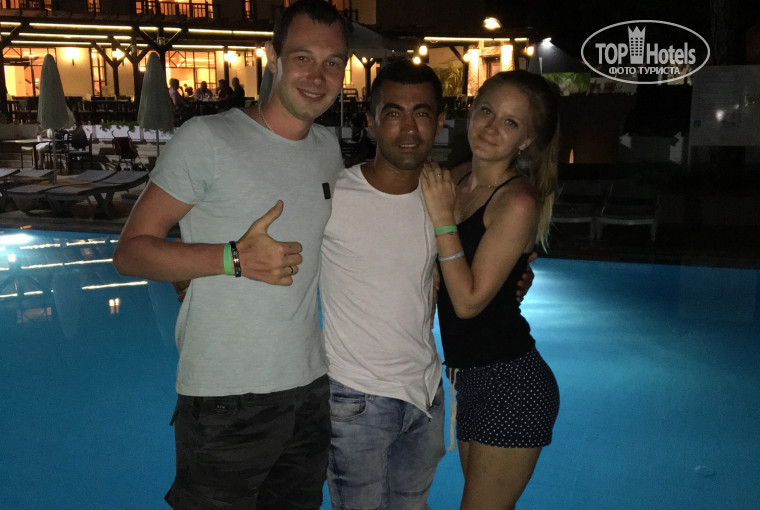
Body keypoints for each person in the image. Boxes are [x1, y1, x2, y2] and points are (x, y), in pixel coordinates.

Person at [112, 1, 350, 508]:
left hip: (309, 387)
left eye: (333, 62)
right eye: (303, 58)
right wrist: (232, 259)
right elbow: (130, 253)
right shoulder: (208, 139)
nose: (318, 76)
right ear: (273, 57)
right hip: (226, 396)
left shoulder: (327, 148)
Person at [419, 70, 561, 510]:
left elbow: (467, 303)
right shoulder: (457, 178)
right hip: (470, 378)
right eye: (486, 111)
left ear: (527, 140)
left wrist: (443, 219)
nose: (491, 127)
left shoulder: (516, 201)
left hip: (511, 383)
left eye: (510, 122)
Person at [320, 60, 447, 510]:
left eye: (422, 113)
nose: (409, 128)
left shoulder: (443, 194)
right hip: (356, 399)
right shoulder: (333, 195)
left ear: (440, 121)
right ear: (371, 122)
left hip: (426, 391)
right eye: (394, 113)